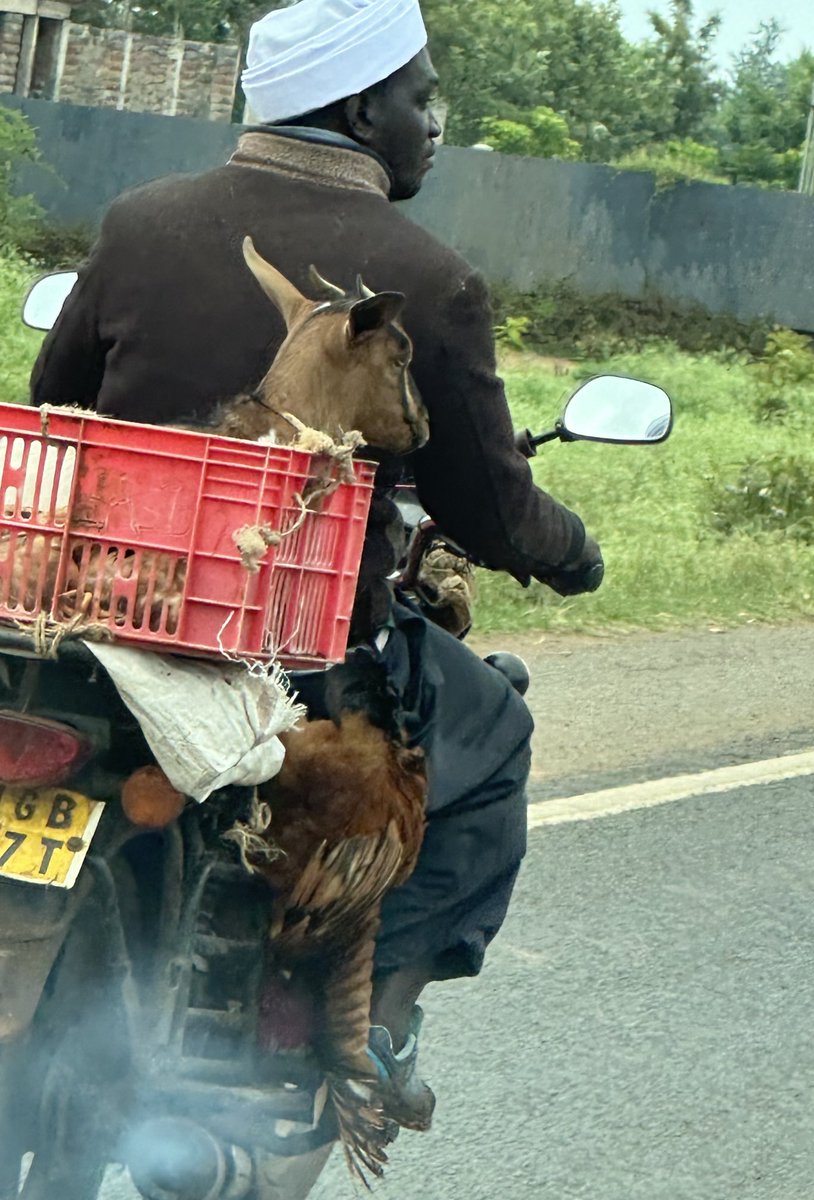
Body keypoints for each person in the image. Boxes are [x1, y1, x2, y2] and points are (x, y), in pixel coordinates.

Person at [30, 0, 603, 1133]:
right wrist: (570, 550)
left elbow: (57, 410)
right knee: (493, 741)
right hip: (307, 638)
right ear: (360, 108)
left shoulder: (140, 221)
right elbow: (488, 510)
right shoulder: (425, 279)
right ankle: (373, 1032)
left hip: (108, 607)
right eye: (421, 97)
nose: (433, 122)